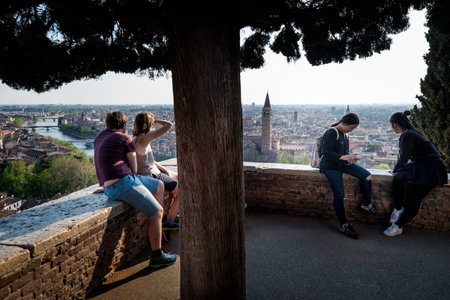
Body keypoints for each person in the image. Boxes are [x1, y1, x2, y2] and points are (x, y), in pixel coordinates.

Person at [94, 110, 176, 268]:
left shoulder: (99, 137)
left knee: (159, 185)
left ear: (107, 124)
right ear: (124, 125)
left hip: (110, 184)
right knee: (157, 211)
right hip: (123, 183)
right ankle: (157, 256)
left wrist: (105, 186)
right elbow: (134, 167)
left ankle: (160, 222)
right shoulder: (125, 138)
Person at [383, 111, 448, 236]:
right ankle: (398, 208)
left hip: (431, 167)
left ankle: (398, 225)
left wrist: (396, 168)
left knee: (414, 198)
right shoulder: (410, 133)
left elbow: (403, 157)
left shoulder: (408, 135)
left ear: (395, 124)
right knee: (399, 179)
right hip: (422, 165)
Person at [320, 113, 381, 239]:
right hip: (331, 166)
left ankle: (366, 204)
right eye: (351, 128)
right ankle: (343, 224)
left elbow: (343, 152)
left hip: (342, 164)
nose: (352, 130)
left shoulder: (345, 134)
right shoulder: (332, 132)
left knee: (366, 176)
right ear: (344, 123)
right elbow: (325, 152)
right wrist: (343, 157)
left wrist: (350, 158)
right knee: (340, 195)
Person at [132, 112, 179, 230]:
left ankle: (171, 215)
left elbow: (149, 160)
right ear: (147, 124)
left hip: (149, 172)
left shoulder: (135, 138)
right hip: (152, 175)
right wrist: (154, 120)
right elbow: (169, 125)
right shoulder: (144, 137)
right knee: (181, 189)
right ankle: (169, 222)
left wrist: (165, 170)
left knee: (175, 176)